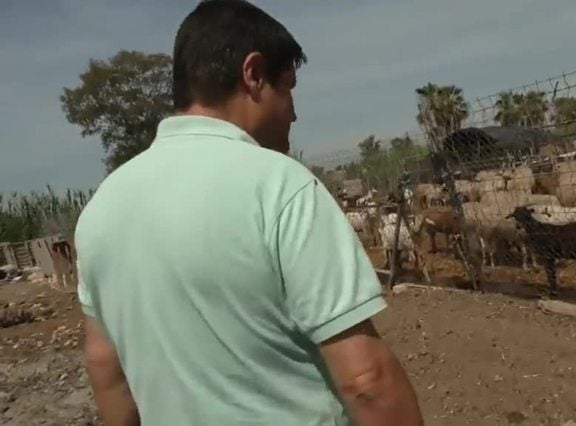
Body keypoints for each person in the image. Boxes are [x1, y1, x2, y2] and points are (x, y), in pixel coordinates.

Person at [74, 1, 423, 425]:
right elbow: (367, 380)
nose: (293, 111)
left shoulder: (101, 208)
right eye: (288, 89)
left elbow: (105, 367)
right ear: (254, 74)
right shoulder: (281, 186)